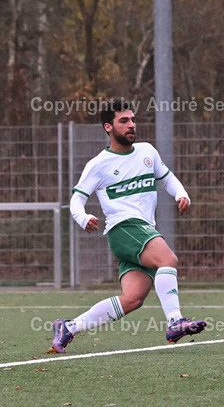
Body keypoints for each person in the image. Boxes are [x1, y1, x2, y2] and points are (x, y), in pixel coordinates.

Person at [49, 98, 206, 353]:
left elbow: (167, 179)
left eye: (133, 119)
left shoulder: (147, 152)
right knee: (168, 259)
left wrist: (181, 193)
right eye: (124, 121)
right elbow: (77, 198)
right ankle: (175, 321)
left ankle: (68, 328)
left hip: (139, 230)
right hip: (124, 228)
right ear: (108, 127)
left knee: (132, 299)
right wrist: (83, 217)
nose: (131, 125)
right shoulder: (99, 164)